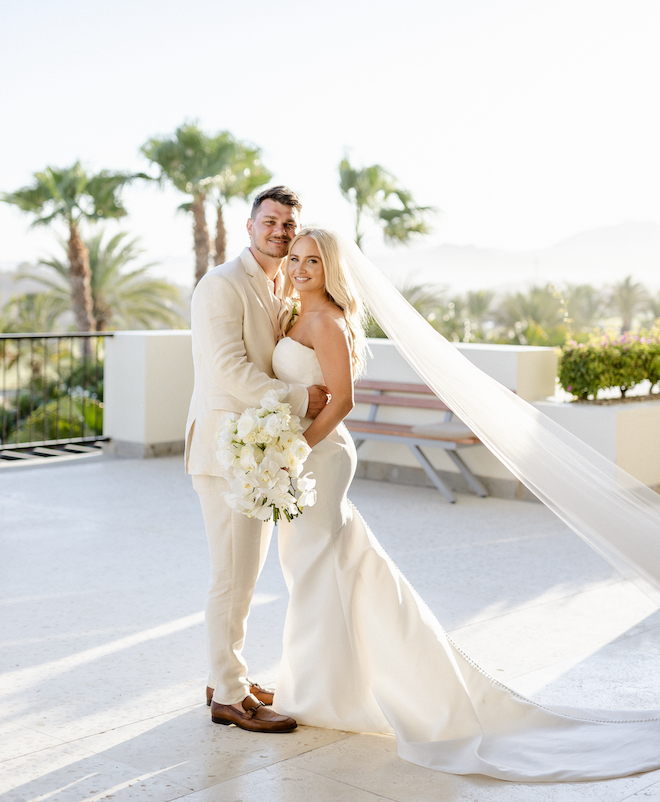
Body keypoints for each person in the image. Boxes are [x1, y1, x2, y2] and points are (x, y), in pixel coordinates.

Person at [269, 227, 660, 781]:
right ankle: (321, 682)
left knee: (314, 569)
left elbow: (344, 400)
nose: (303, 267)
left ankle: (316, 692)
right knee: (315, 568)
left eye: (314, 260)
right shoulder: (292, 313)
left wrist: (295, 450)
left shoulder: (327, 321)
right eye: (298, 258)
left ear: (332, 269)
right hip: (300, 455)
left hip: (320, 458)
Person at [185, 188, 328, 734]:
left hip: (259, 452)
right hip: (225, 451)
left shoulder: (282, 287)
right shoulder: (220, 286)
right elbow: (226, 369)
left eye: (289, 225)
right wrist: (299, 400)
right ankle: (228, 694)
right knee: (232, 575)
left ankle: (229, 675)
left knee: (245, 573)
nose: (280, 232)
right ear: (249, 227)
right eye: (270, 221)